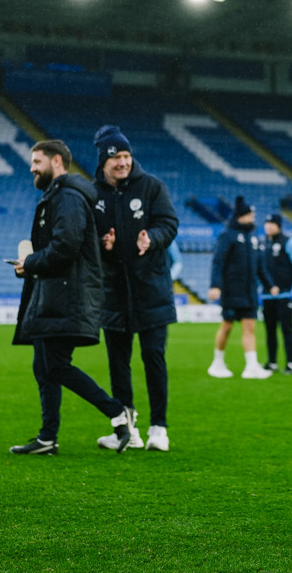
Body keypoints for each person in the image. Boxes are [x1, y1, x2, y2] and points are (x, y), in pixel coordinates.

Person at [9, 139, 134, 456]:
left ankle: (118, 414)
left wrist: (31, 263)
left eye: (37, 161)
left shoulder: (68, 197)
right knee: (45, 366)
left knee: (56, 366)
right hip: (54, 294)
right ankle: (47, 438)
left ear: (57, 161)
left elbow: (66, 246)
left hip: (66, 296)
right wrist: (31, 265)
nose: (32, 167)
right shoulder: (59, 196)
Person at [91, 125, 179, 452]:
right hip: (113, 293)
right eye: (116, 157)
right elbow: (87, 238)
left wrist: (151, 238)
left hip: (151, 290)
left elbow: (169, 224)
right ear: (103, 161)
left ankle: (159, 428)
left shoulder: (152, 186)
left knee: (154, 357)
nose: (123, 162)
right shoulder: (92, 194)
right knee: (119, 363)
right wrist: (103, 243)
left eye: (127, 156)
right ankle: (126, 429)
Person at [207, 196, 277, 380]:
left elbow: (260, 266)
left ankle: (251, 367)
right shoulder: (227, 235)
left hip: (249, 293)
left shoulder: (254, 237)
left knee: (249, 327)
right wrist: (215, 285)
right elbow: (218, 262)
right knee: (227, 327)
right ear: (241, 216)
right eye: (250, 214)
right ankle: (217, 363)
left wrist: (271, 286)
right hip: (231, 291)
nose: (253, 217)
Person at [260, 213, 292, 374]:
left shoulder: (289, 242)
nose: (268, 226)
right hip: (267, 296)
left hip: (286, 295)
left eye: (271, 223)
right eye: (266, 223)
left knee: (286, 328)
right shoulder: (263, 243)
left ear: (278, 225)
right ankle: (272, 362)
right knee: (270, 330)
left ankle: (290, 363)